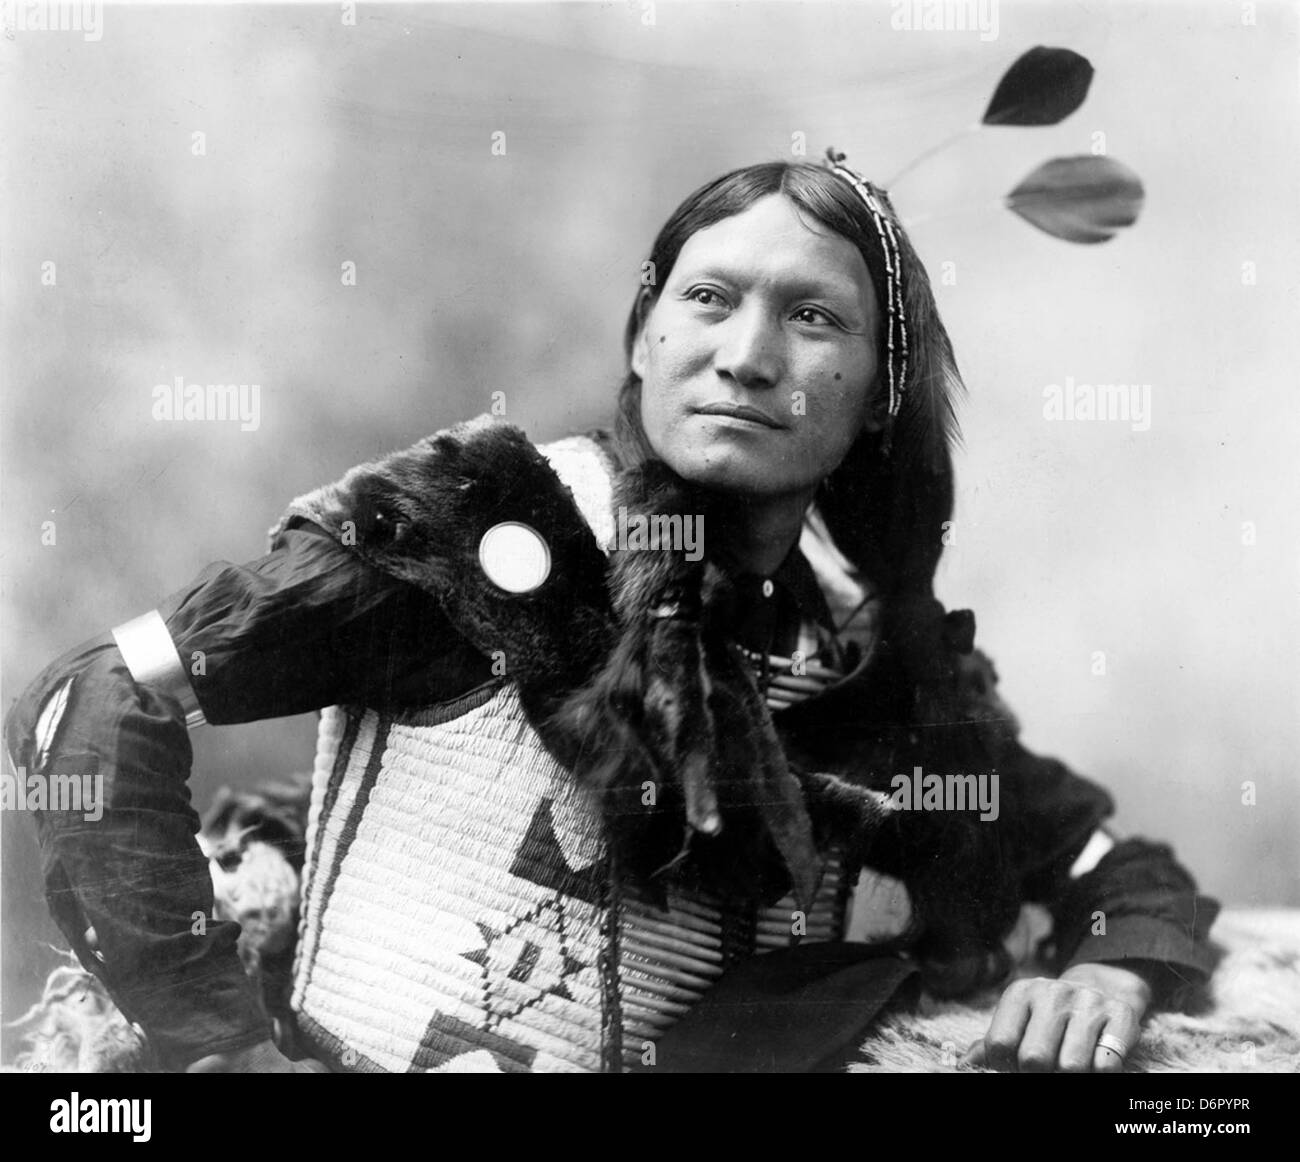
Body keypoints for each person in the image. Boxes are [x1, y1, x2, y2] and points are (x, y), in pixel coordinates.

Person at [3, 154, 1217, 1074]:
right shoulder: (480, 527)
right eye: (708, 298)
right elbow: (86, 697)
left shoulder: (862, 652)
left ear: (880, 396)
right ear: (644, 339)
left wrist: (1116, 958)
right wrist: (225, 1044)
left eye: (814, 317)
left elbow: (1107, 861)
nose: (746, 355)